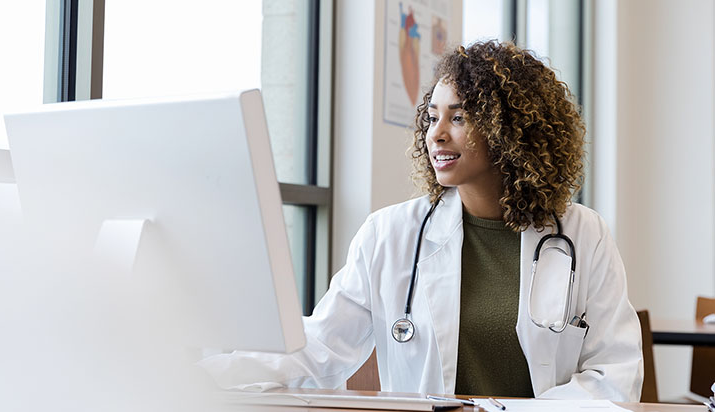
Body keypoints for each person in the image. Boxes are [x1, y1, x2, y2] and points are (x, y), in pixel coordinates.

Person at [199, 40, 643, 401]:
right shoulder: (389, 234)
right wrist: (207, 373)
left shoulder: (584, 235)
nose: (436, 133)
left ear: (509, 131)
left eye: (460, 117)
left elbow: (614, 375)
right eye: (432, 117)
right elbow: (319, 348)